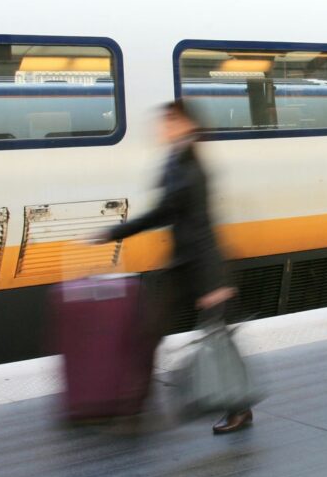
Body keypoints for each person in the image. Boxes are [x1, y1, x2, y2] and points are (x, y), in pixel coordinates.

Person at [103, 100, 252, 435]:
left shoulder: (193, 168)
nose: (163, 128)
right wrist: (115, 233)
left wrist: (215, 284)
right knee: (148, 332)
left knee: (218, 338)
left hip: (201, 266)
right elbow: (166, 211)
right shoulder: (174, 159)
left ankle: (240, 408)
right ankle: (132, 409)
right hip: (180, 265)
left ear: (187, 125)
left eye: (170, 122)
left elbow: (199, 225)